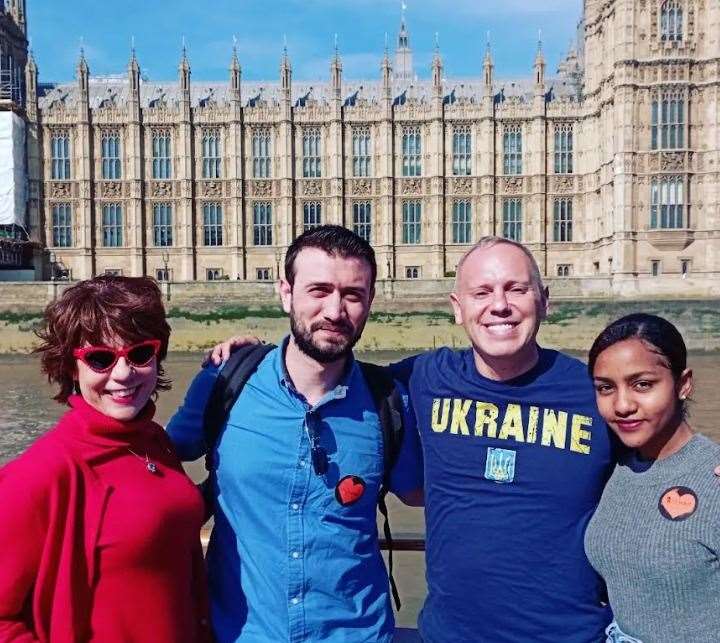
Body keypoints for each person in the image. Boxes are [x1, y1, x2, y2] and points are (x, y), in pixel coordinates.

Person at [208, 236, 615, 642]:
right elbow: (328, 367)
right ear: (457, 308)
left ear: (544, 300)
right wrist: (256, 356)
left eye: (517, 289)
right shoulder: (418, 380)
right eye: (482, 292)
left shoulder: (599, 394)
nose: (500, 305)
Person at [166, 225, 423, 643]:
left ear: (370, 301)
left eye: (352, 294)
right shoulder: (226, 381)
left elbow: (425, 494)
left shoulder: (389, 402)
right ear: (286, 292)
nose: (335, 311)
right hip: (241, 634)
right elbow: (147, 463)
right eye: (318, 290)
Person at [0, 276, 210, 643]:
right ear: (70, 367)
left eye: (140, 353)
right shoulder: (39, 475)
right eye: (100, 358)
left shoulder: (153, 440)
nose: (123, 373)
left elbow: (162, 523)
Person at [584, 314, 720, 643]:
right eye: (606, 388)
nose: (623, 405)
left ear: (683, 384)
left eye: (642, 384)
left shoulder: (714, 479)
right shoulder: (614, 466)